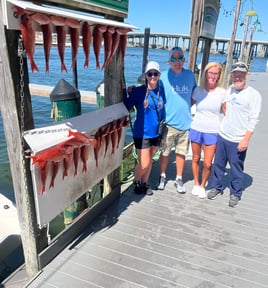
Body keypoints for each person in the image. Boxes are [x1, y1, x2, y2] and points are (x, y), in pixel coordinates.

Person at [207, 61, 262, 207]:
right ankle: (216, 187)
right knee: (218, 165)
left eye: (241, 74)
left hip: (238, 140)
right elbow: (224, 103)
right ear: (232, 76)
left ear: (246, 75)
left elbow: (253, 120)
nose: (237, 77)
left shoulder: (254, 95)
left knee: (236, 169)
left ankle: (235, 193)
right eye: (235, 74)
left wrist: (245, 139)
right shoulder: (230, 89)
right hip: (223, 135)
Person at [157, 47, 196, 193]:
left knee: (181, 153)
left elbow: (195, 93)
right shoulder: (163, 76)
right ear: (169, 61)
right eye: (173, 58)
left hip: (185, 123)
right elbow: (154, 92)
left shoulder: (190, 75)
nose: (177, 61)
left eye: (180, 58)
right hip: (168, 123)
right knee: (165, 152)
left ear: (184, 60)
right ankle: (162, 176)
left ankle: (179, 178)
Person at [123, 61, 165, 196]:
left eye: (155, 74)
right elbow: (126, 107)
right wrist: (124, 90)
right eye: (150, 74)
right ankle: (136, 181)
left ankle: (144, 183)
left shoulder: (162, 89)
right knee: (144, 163)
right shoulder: (138, 92)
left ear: (159, 75)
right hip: (142, 133)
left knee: (150, 160)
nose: (153, 76)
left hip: (157, 132)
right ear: (146, 75)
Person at [189, 62, 227, 199]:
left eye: (215, 73)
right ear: (205, 73)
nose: (212, 76)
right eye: (210, 73)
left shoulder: (222, 93)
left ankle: (203, 185)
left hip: (213, 131)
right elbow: (187, 104)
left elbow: (227, 113)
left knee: (207, 163)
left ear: (219, 76)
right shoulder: (198, 90)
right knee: (195, 158)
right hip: (196, 128)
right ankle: (196, 183)